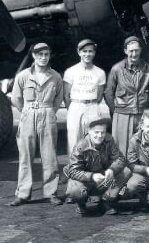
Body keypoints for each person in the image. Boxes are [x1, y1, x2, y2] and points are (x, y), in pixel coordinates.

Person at [10, 43, 63, 207]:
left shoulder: (55, 76)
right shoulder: (23, 76)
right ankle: (23, 194)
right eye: (40, 54)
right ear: (33, 55)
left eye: (46, 54)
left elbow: (58, 98)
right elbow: (16, 99)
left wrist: (48, 111)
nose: (43, 57)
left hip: (47, 114)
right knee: (25, 155)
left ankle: (51, 192)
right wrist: (27, 111)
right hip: (28, 114)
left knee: (50, 156)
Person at [63, 39, 106, 202]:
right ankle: (72, 188)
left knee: (94, 145)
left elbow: (100, 94)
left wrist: (91, 106)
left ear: (94, 53)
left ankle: (94, 187)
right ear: (79, 52)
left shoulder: (100, 72)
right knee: (74, 145)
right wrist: (75, 109)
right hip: (76, 106)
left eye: (91, 51)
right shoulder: (70, 71)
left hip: (93, 106)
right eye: (84, 51)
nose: (88, 54)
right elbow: (66, 95)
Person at [63, 117, 130, 216]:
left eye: (102, 132)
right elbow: (73, 171)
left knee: (126, 171)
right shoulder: (80, 146)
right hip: (85, 181)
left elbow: (120, 159)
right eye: (96, 132)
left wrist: (112, 169)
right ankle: (81, 205)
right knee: (75, 190)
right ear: (89, 132)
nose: (100, 135)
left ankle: (106, 201)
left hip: (103, 178)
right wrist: (92, 176)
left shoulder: (109, 140)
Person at [104, 36, 149, 157]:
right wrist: (117, 111)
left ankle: (140, 172)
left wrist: (146, 108)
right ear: (125, 51)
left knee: (142, 146)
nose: (134, 54)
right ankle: (121, 173)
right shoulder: (116, 69)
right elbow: (108, 93)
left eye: (136, 50)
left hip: (141, 114)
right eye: (131, 51)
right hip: (123, 114)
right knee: (121, 148)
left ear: (140, 51)